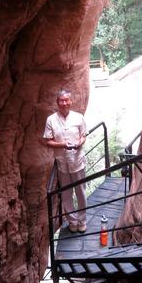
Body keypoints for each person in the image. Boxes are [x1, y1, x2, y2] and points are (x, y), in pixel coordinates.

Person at [43, 89, 88, 233]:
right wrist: (62, 145)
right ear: (57, 102)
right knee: (66, 194)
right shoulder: (51, 119)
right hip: (62, 163)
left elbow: (83, 135)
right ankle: (72, 222)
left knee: (81, 191)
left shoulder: (78, 117)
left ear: (71, 101)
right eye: (61, 100)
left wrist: (80, 142)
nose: (64, 103)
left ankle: (82, 220)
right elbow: (48, 141)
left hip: (77, 161)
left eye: (66, 100)